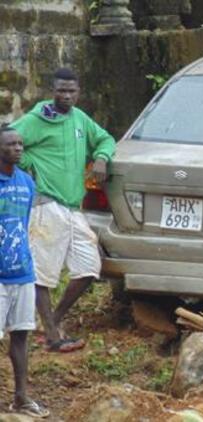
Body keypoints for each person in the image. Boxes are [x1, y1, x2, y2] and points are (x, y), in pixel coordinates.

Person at [11, 68, 116, 352]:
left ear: (78, 92)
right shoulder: (35, 120)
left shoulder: (80, 119)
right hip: (46, 206)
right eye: (61, 91)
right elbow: (7, 140)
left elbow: (105, 139)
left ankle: (53, 321)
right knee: (43, 274)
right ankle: (53, 337)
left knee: (89, 267)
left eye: (71, 91)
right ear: (52, 91)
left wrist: (102, 158)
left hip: (74, 208)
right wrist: (27, 161)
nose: (67, 96)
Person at [0, 125, 50, 418]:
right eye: (9, 144)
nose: (17, 148)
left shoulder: (26, 183)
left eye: (19, 144)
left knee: (20, 336)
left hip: (22, 273)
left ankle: (21, 397)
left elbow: (25, 223)